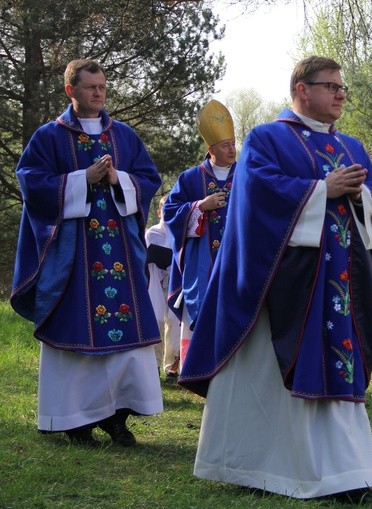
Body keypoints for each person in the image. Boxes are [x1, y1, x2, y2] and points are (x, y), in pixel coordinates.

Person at [178, 56, 372, 502]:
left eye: (342, 86)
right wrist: (321, 190)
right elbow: (258, 193)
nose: (340, 94)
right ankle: (251, 464)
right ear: (301, 89)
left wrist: (362, 195)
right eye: (330, 85)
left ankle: (342, 473)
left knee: (335, 367)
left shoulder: (351, 146)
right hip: (282, 286)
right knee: (268, 378)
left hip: (336, 281)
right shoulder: (267, 138)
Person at [11, 59, 163, 447]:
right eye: (91, 87)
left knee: (128, 342)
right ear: (70, 91)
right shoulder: (49, 137)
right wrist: (82, 179)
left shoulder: (124, 136)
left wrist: (117, 179)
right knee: (74, 334)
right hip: (74, 258)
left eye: (103, 86)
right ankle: (76, 421)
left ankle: (117, 418)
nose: (99, 93)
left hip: (120, 259)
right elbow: (32, 183)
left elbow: (149, 179)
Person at [163, 99, 236, 372]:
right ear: (211, 149)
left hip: (236, 260)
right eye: (225, 145)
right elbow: (170, 212)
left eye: (233, 143)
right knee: (203, 310)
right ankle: (199, 369)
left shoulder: (246, 175)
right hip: (201, 264)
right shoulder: (191, 178)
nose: (232, 149)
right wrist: (199, 206)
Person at [145, 194, 182, 379]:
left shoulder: (180, 232)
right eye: (164, 209)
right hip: (155, 281)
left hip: (175, 282)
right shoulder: (152, 233)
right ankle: (154, 363)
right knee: (157, 319)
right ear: (159, 212)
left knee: (175, 323)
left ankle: (172, 366)